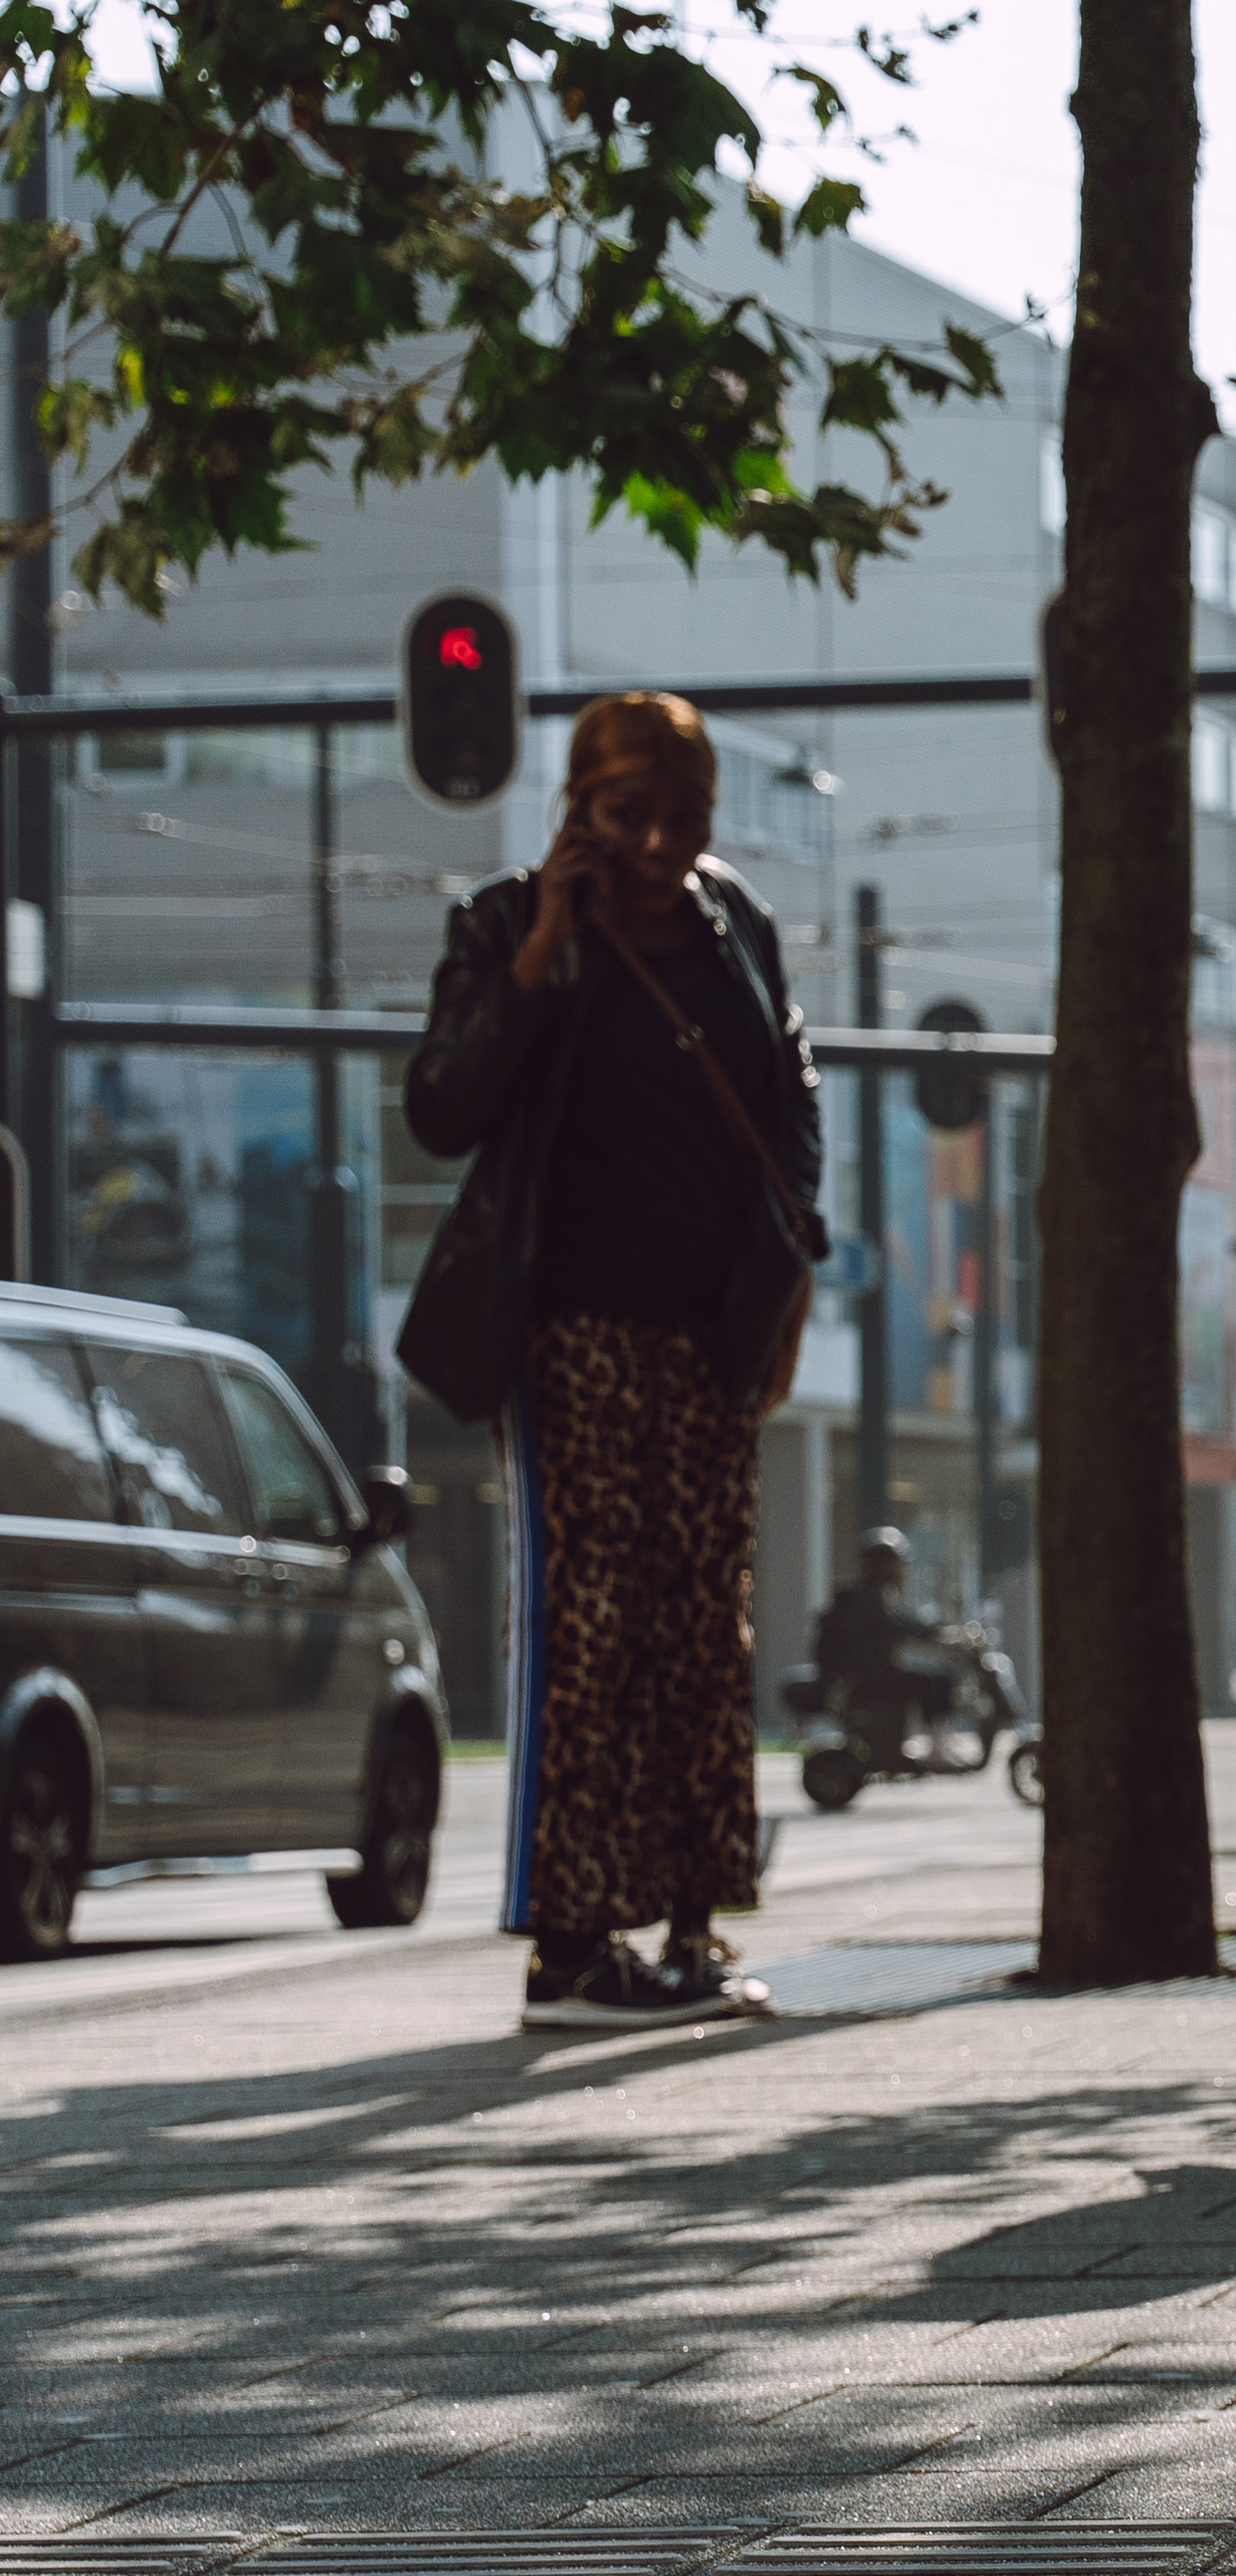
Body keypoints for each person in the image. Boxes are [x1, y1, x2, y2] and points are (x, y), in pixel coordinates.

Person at [406, 690, 821, 2032]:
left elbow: (790, 1099)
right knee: (592, 1621)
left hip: (715, 1327)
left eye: (683, 815)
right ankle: (574, 1947)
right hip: (569, 1323)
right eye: (626, 813)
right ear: (576, 809)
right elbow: (444, 1105)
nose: (657, 842)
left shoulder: (732, 922)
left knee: (707, 1620)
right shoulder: (504, 922)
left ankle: (694, 1926)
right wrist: (540, 957)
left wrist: (792, 1270)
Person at [812, 1529, 952, 1754]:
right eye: (897, 1562)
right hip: (868, 1676)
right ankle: (937, 1745)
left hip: (874, 1671)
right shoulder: (867, 1597)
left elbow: (904, 1620)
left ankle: (931, 1741)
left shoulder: (879, 1593)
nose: (902, 1568)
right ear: (882, 1564)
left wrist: (937, 1628)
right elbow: (893, 1625)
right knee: (936, 1680)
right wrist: (930, 1634)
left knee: (935, 1676)